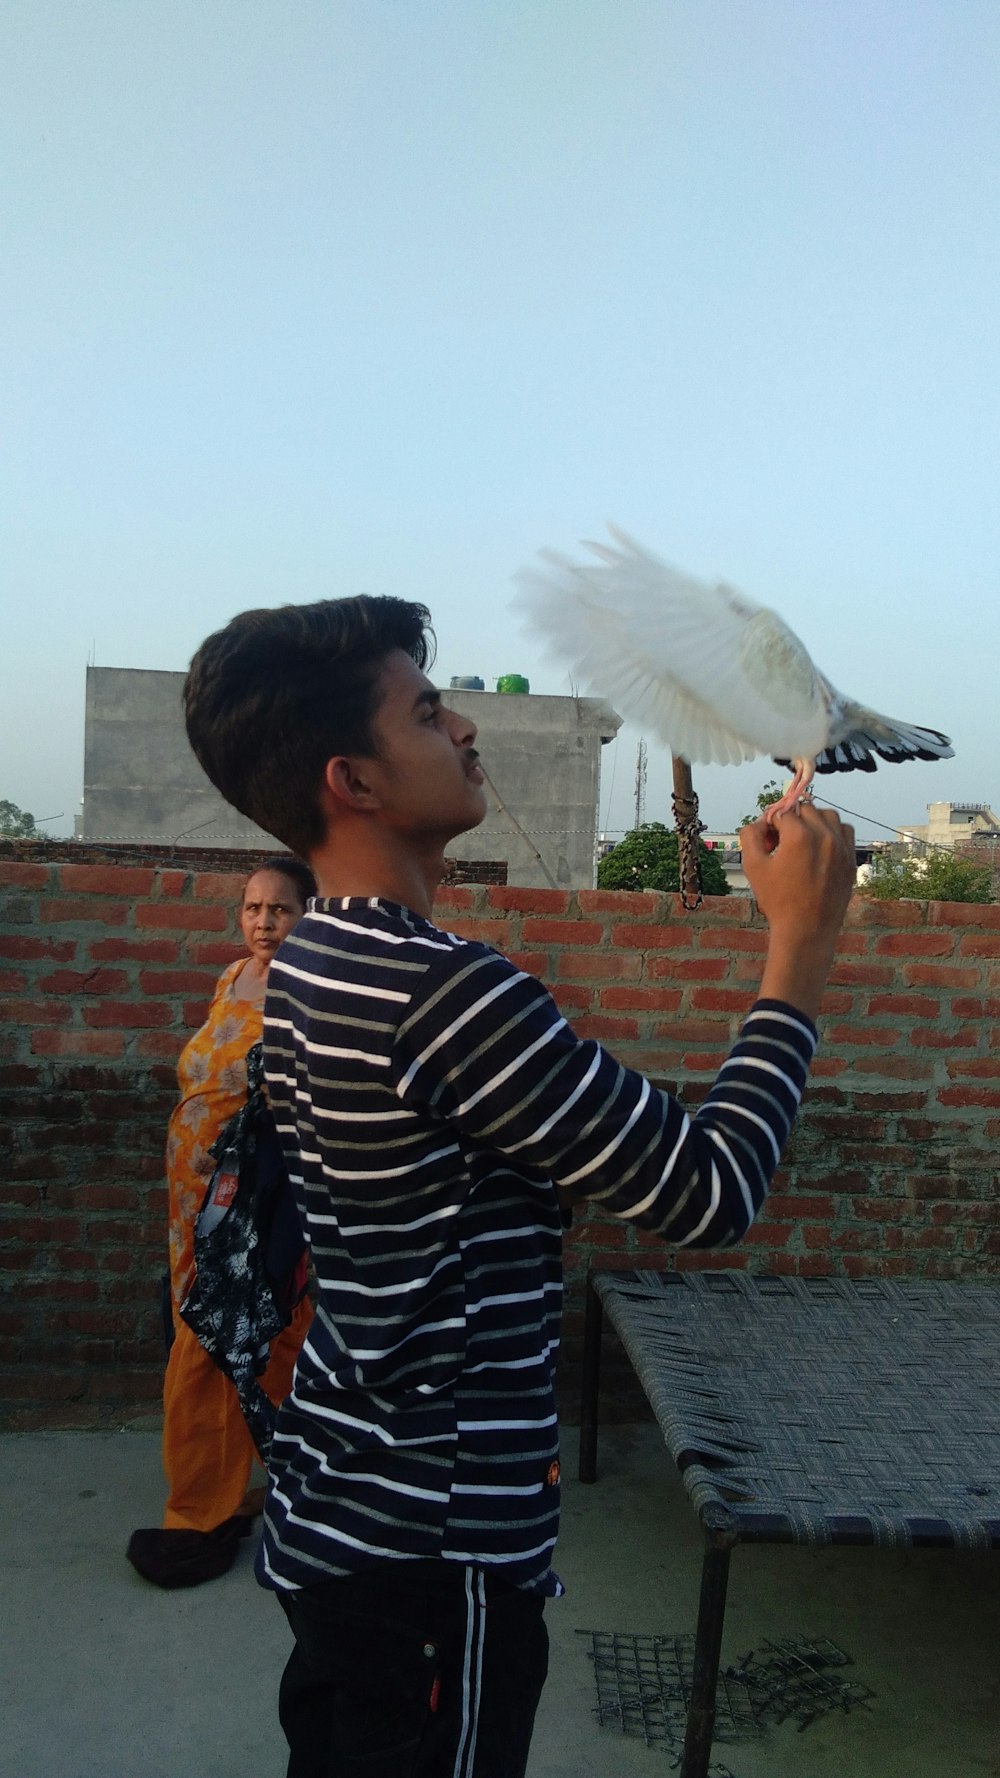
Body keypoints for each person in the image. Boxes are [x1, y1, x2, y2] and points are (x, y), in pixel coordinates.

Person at [182, 595, 856, 1777]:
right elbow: (707, 1191)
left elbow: (435, 1193)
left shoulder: (306, 966)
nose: (467, 732)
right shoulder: (442, 991)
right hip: (438, 1550)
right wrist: (798, 949)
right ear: (356, 780)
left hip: (342, 1505)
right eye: (430, 714)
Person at [127, 857, 317, 1590]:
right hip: (191, 1206)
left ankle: (202, 1513)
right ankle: (261, 1484)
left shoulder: (306, 996)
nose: (264, 922)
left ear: (308, 917)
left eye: (281, 910)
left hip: (249, 1206)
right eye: (253, 908)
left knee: (228, 1337)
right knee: (229, 1330)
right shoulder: (231, 978)